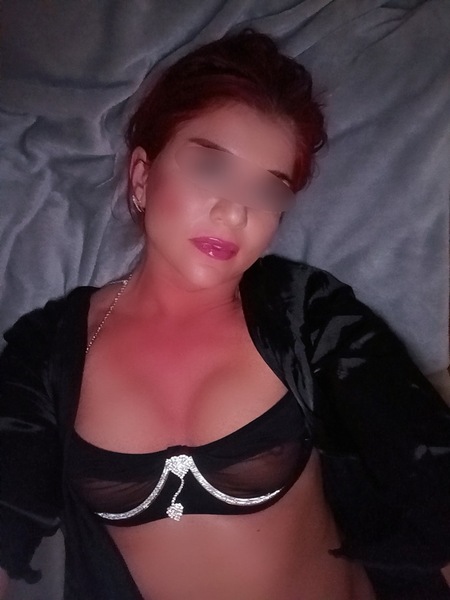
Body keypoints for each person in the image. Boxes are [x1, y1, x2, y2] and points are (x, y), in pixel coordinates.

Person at [0, 29, 449, 600]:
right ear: (142, 177)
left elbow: (426, 462)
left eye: (269, 191)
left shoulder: (305, 313)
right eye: (211, 168)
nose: (235, 212)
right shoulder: (49, 349)